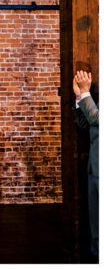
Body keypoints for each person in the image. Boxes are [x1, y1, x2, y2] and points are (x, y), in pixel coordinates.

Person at [74, 70, 98, 256]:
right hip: (94, 167)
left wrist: (84, 92)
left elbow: (97, 119)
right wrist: (78, 96)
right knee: (95, 223)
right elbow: (85, 124)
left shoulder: (88, 93)